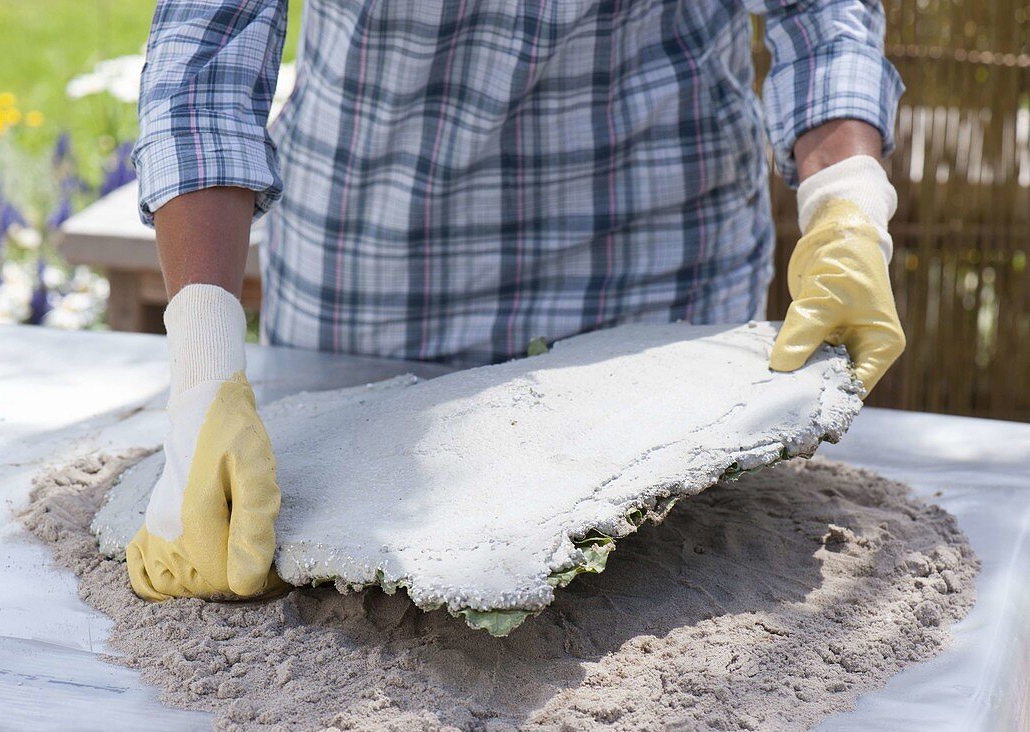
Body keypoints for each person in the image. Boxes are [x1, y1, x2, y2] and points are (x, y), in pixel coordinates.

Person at [125, 0, 907, 601]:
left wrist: (845, 190)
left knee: (663, 578)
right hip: (380, 256)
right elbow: (209, 50)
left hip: (664, 254)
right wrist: (203, 366)